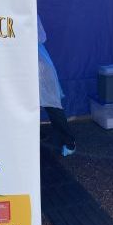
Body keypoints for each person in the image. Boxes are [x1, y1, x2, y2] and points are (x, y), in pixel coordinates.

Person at [38, 15, 76, 156]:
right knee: (28, 105)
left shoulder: (29, 13)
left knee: (52, 105)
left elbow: (41, 36)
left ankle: (69, 142)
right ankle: (35, 133)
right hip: (25, 66)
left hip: (40, 66)